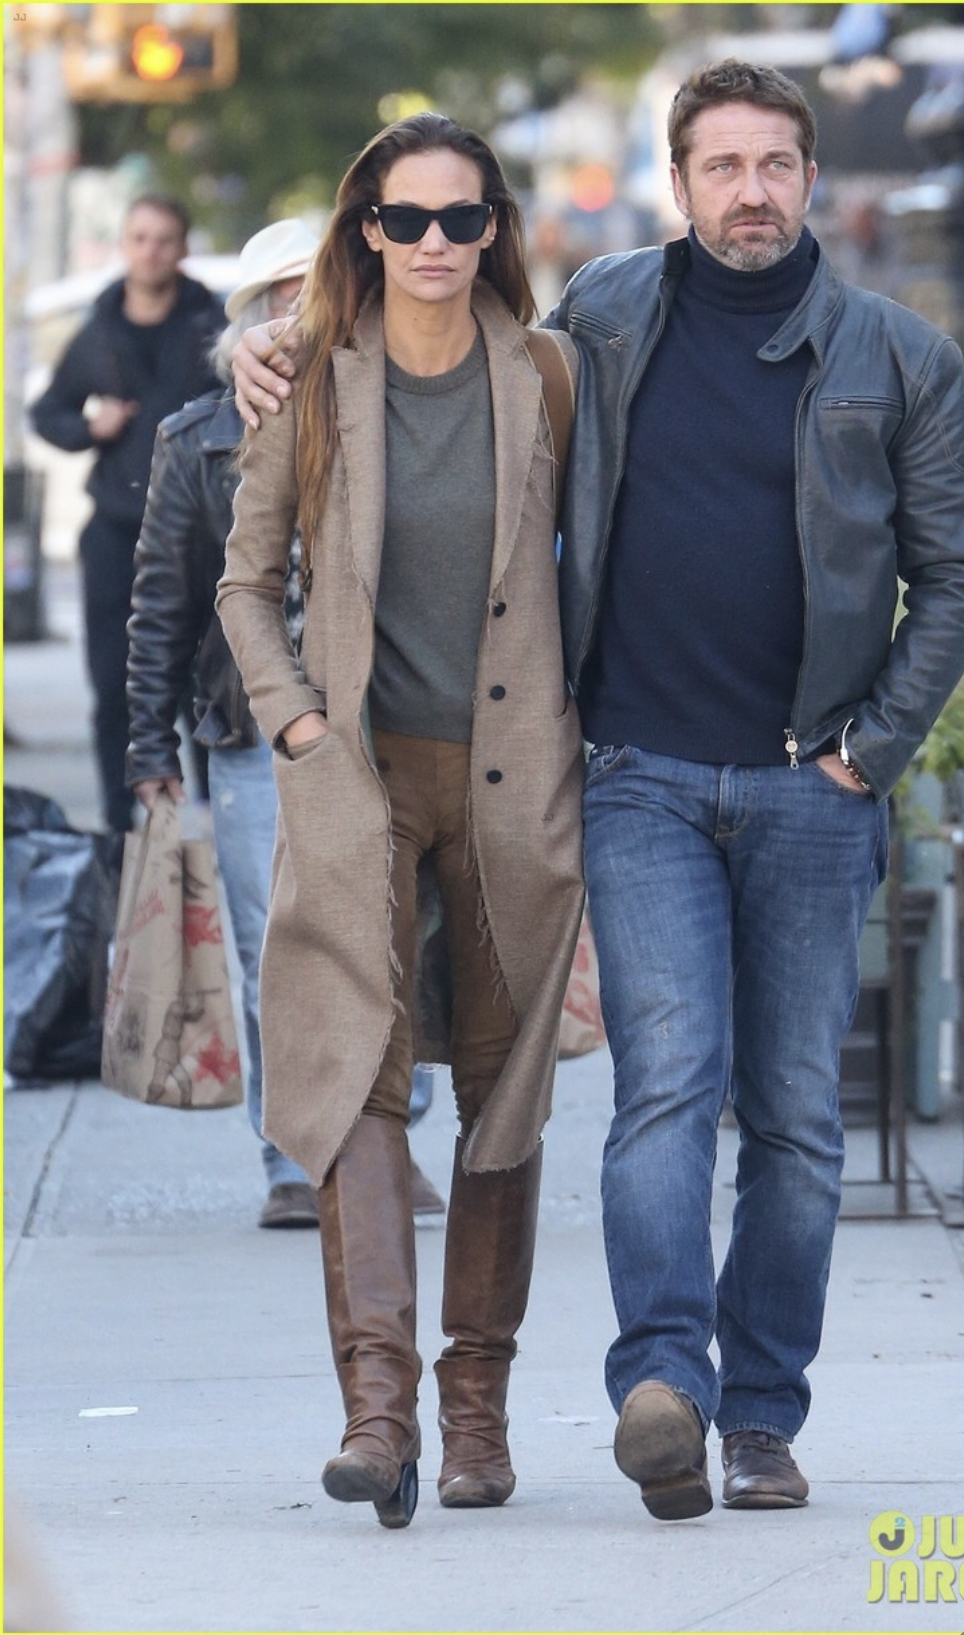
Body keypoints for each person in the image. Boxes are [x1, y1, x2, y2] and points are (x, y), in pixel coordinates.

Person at [229, 63, 964, 1523]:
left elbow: (958, 575)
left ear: (811, 176)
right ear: (678, 182)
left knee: (793, 1121)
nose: (751, 191)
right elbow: (388, 366)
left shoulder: (890, 356)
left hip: (804, 784)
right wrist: (272, 345)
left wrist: (867, 751)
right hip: (636, 774)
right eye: (722, 166)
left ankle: (756, 1416)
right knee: (663, 1091)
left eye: (775, 164)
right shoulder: (610, 314)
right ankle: (660, 1390)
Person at [215, 113, 584, 1529]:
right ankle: (378, 1414)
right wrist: (297, 724)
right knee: (353, 1074)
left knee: (500, 1087)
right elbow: (247, 582)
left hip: (510, 780)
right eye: (407, 218)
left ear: (495, 230)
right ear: (364, 229)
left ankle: (476, 1410)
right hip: (356, 780)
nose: (435, 242)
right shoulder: (312, 378)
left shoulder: (545, 375)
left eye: (462, 217)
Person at [125, 220, 323, 1231]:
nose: (299, 308)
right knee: (273, 950)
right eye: (280, 292)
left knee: (398, 944)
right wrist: (147, 742)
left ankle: (379, 1133)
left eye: (315, 286)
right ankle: (292, 1158)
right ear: (249, 316)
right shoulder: (196, 438)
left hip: (387, 725)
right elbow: (162, 601)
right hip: (252, 734)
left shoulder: (395, 407)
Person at [31, 195, 225, 837]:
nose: (151, 251)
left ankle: (213, 817)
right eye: (139, 238)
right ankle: (119, 827)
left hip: (200, 533)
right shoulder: (99, 329)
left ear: (182, 248)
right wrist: (91, 426)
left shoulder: (211, 326)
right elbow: (48, 413)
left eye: (164, 239)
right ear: (123, 245)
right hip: (116, 532)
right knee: (113, 680)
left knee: (202, 681)